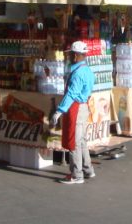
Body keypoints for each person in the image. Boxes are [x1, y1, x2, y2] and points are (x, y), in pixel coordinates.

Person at [50, 40, 95, 184]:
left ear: (75, 56)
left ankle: (77, 175)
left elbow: (71, 94)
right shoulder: (87, 70)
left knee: (74, 141)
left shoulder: (78, 73)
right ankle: (88, 169)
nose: (68, 57)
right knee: (81, 141)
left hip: (76, 108)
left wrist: (59, 111)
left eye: (70, 55)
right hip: (83, 106)